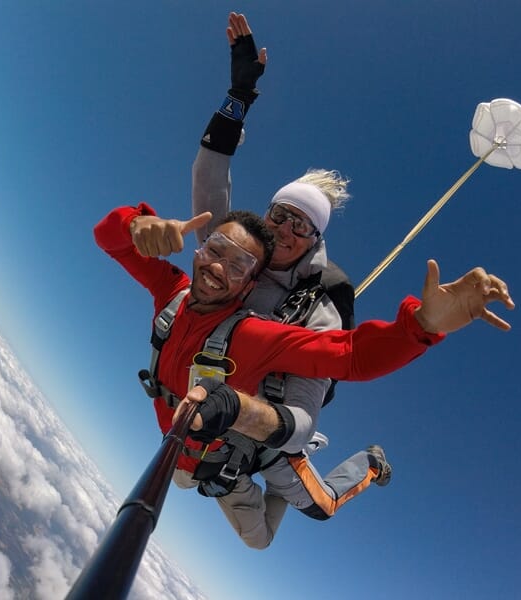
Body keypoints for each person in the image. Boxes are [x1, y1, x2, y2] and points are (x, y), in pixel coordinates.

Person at [94, 203, 515, 541]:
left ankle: (366, 463)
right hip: (194, 459)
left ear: (249, 287)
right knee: (250, 530)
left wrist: (421, 326)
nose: (219, 268)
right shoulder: (172, 292)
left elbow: (351, 355)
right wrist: (135, 225)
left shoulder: (252, 335)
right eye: (216, 250)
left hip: (233, 453)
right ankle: (283, 463)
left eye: (239, 265)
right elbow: (107, 238)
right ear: (198, 251)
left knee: (312, 512)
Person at [190, 12, 380, 547]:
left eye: (303, 225)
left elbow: (299, 417)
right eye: (280, 214)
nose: (285, 231)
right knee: (188, 480)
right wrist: (237, 98)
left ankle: (368, 464)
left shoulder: (317, 307)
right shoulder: (238, 255)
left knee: (316, 510)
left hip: (271, 435)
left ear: (316, 239)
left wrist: (244, 417)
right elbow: (209, 180)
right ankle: (237, 470)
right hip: (224, 421)